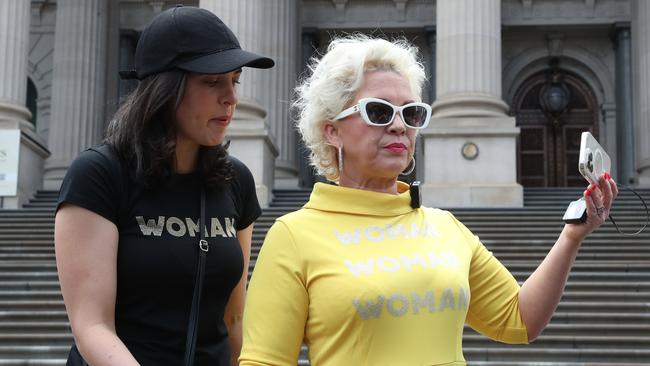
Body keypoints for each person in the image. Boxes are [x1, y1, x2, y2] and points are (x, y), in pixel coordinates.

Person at [239, 35, 618, 365]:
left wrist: (573, 235)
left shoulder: (444, 226)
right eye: (378, 111)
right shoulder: (292, 236)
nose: (400, 125)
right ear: (332, 131)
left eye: (411, 112)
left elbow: (519, 320)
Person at [54, 6, 274, 366]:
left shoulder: (236, 181)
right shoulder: (98, 174)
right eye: (212, 81)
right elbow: (92, 327)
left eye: (235, 80)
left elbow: (234, 320)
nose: (231, 98)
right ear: (165, 89)